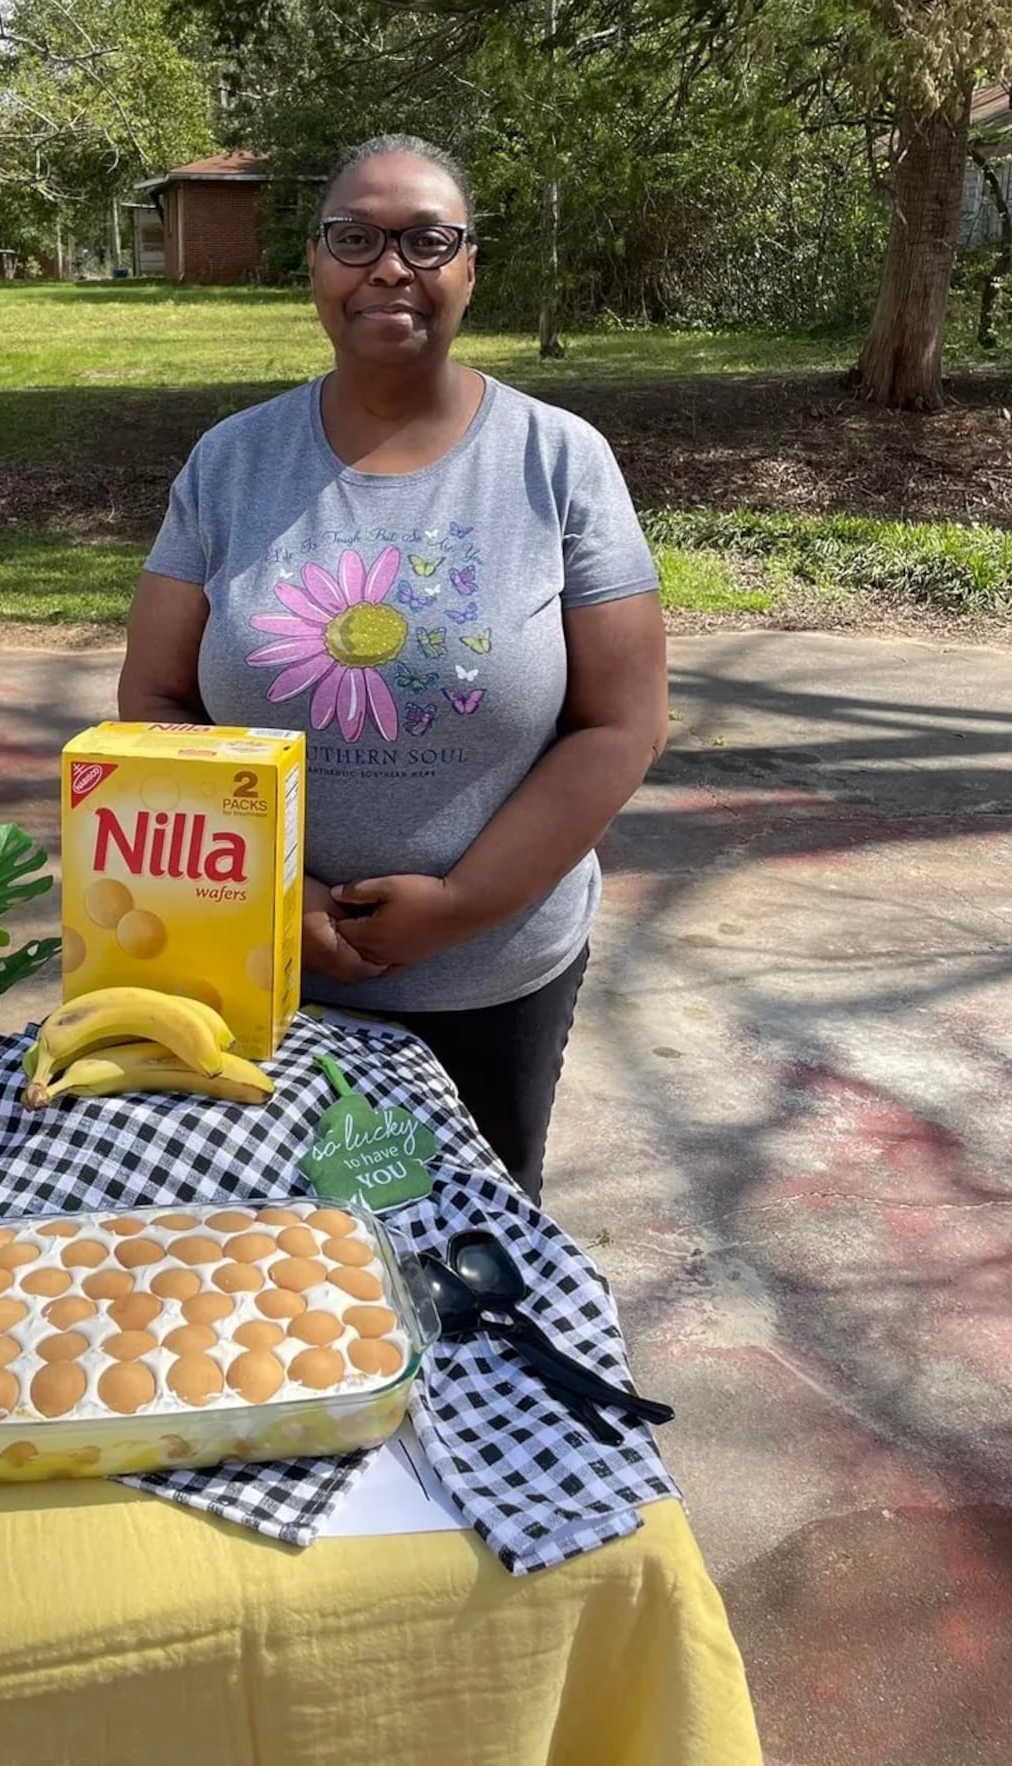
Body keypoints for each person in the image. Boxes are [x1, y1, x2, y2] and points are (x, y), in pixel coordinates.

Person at [118, 135, 668, 1201]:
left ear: (469, 266)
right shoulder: (230, 463)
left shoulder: (558, 461)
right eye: (354, 239)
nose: (389, 266)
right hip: (260, 963)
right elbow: (155, 698)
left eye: (426, 239)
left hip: (495, 976)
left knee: (472, 1253)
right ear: (314, 266)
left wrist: (461, 902)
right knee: (270, 1258)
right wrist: (278, 898)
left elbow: (624, 721)